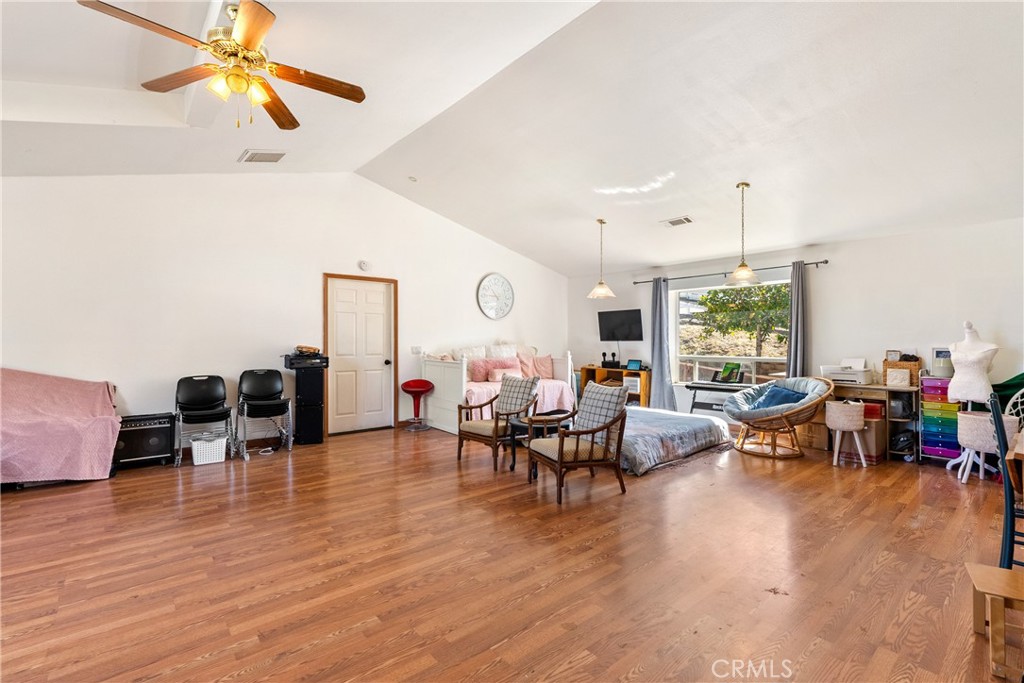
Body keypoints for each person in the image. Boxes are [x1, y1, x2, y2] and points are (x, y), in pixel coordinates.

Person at [947, 321, 999, 403]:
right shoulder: (953, 346)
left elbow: (988, 368)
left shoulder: (991, 347)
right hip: (957, 386)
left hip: (979, 388)